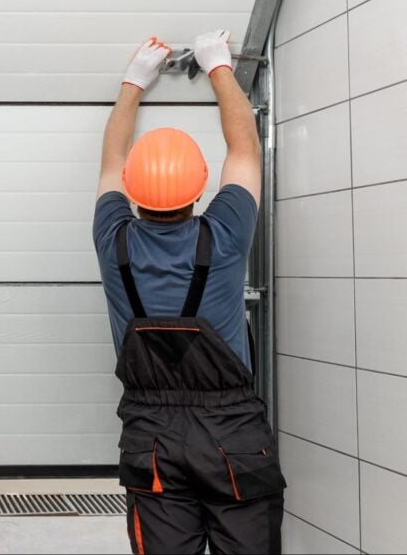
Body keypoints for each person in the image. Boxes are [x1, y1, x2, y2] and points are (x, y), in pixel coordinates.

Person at [93, 31, 287, 554]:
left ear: (132, 191)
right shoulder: (223, 235)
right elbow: (244, 146)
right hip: (233, 435)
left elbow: (111, 161)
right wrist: (218, 66)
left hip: (151, 436)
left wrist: (134, 80)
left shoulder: (113, 241)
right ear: (200, 188)